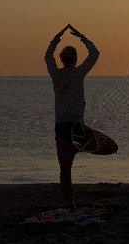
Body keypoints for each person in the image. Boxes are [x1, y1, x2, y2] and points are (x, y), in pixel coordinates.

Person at [45, 24, 118, 213]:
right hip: (76, 126)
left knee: (65, 169)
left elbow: (47, 56)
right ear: (75, 59)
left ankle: (72, 206)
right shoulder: (78, 73)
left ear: (62, 59)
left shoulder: (55, 74)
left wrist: (56, 38)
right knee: (112, 147)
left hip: (61, 127)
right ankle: (79, 148)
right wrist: (82, 37)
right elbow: (94, 53)